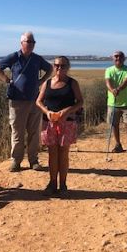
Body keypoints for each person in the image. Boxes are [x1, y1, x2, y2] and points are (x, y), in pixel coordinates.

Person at [0, 32, 53, 172]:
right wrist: (7, 80)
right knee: (17, 132)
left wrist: (42, 81)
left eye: (33, 42)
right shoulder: (14, 57)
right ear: (22, 43)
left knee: (34, 132)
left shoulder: (37, 59)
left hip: (34, 101)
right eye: (28, 41)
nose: (31, 44)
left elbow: (50, 68)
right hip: (17, 101)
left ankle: (33, 160)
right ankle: (16, 161)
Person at [36, 56, 84, 196]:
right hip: (49, 123)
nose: (59, 68)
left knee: (63, 154)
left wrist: (67, 111)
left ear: (68, 67)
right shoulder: (48, 83)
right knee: (52, 154)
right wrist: (47, 111)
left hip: (67, 122)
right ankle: (52, 183)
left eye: (63, 66)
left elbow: (80, 102)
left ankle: (63, 185)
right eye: (57, 65)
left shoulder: (72, 83)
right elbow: (38, 101)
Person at [105, 50, 127, 156]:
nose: (118, 58)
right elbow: (108, 82)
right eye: (115, 56)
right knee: (114, 125)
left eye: (120, 57)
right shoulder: (108, 70)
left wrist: (118, 89)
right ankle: (118, 145)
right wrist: (112, 90)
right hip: (112, 103)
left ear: (124, 58)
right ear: (112, 58)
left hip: (125, 103)